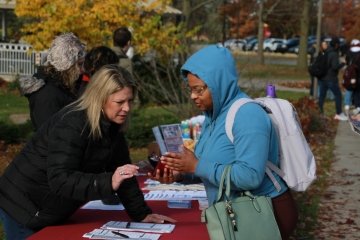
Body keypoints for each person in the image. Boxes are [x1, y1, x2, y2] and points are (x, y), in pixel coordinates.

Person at [0, 64, 176, 239]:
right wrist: (109, 181)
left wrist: (141, 214)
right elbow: (60, 179)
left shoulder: (112, 126)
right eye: (120, 102)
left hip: (48, 206)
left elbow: (123, 171)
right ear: (100, 98)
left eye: (130, 101)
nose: (127, 108)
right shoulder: (72, 124)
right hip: (24, 206)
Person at [160, 45, 298, 239]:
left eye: (199, 90)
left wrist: (196, 165)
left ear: (218, 83)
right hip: (233, 213)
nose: (193, 96)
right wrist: (181, 172)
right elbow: (212, 166)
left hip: (263, 214)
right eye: (190, 89)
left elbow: (250, 176)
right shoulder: (213, 116)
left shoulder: (247, 115)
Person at [19, 32, 86, 131]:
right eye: (79, 64)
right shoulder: (48, 94)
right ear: (67, 65)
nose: (83, 70)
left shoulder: (64, 85)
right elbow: (48, 136)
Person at [318, 37, 347, 121]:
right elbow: (334, 67)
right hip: (331, 79)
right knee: (338, 95)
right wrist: (342, 64)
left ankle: (320, 113)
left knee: (322, 97)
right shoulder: (334, 54)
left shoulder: (326, 52)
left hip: (323, 78)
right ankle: (338, 113)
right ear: (337, 45)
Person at [344, 39, 360, 115]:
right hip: (358, 75)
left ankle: (347, 105)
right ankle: (357, 106)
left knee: (349, 88)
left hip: (350, 74)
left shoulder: (349, 52)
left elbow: (347, 62)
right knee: (357, 91)